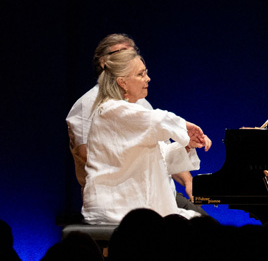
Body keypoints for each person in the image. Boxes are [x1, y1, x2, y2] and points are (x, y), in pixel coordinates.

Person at [66, 34, 199, 207]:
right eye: (122, 53)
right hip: (122, 201)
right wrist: (181, 127)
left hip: (160, 196)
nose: (132, 57)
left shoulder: (142, 103)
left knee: (203, 222)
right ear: (105, 64)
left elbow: (162, 151)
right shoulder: (92, 105)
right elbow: (87, 156)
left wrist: (188, 180)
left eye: (133, 53)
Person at [82, 48, 212, 223]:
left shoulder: (128, 111)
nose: (148, 79)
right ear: (122, 82)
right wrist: (184, 127)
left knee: (202, 225)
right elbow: (159, 120)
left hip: (139, 204)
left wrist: (187, 144)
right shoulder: (110, 110)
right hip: (117, 207)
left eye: (146, 73)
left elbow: (161, 157)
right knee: (199, 228)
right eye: (140, 74)